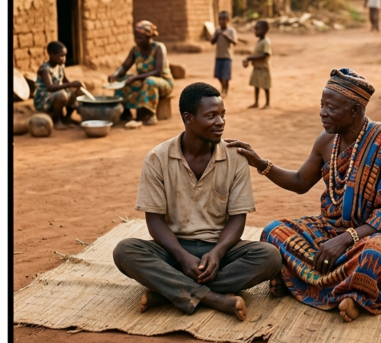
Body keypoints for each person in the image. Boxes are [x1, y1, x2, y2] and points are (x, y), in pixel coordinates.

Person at [225, 68, 381, 322]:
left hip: (373, 235)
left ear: (354, 110)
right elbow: (300, 182)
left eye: (330, 107)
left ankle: (351, 292)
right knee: (273, 233)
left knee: (377, 253)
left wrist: (347, 239)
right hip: (333, 228)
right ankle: (349, 287)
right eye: (321, 105)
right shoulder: (326, 141)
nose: (322, 112)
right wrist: (260, 162)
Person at [112, 82, 281, 321]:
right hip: (173, 250)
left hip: (220, 251)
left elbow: (237, 219)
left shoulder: (236, 157)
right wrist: (181, 255)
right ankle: (213, 298)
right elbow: (155, 221)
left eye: (222, 115)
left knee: (269, 257)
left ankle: (170, 292)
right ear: (188, 118)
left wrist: (218, 253)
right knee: (125, 251)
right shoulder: (157, 158)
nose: (220, 122)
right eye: (211, 116)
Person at [108, 20, 173, 125]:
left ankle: (149, 114)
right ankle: (125, 111)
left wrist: (135, 78)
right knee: (123, 80)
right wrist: (115, 75)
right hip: (143, 80)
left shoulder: (159, 48)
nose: (137, 41)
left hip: (163, 82)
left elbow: (158, 72)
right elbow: (124, 67)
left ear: (149, 37)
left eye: (140, 38)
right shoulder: (135, 50)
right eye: (136, 38)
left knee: (150, 81)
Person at [34, 41, 84, 130]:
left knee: (79, 89)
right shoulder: (45, 69)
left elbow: (65, 81)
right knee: (62, 95)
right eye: (61, 56)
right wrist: (70, 84)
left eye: (65, 56)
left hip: (55, 94)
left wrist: (76, 87)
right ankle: (57, 121)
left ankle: (67, 117)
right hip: (43, 99)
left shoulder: (60, 66)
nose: (64, 58)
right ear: (52, 55)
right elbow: (50, 87)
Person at [242, 20, 272, 109]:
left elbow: (265, 54)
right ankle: (256, 102)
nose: (255, 31)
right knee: (256, 85)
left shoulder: (266, 42)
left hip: (263, 68)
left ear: (264, 30)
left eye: (257, 29)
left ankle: (267, 103)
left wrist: (250, 58)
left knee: (265, 86)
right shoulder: (259, 41)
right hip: (257, 67)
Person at [210, 11, 237, 97]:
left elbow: (235, 42)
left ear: (228, 20)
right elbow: (212, 42)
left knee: (226, 76)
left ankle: (225, 91)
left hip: (227, 56)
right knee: (218, 75)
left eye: (224, 19)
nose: (222, 21)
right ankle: (223, 87)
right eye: (220, 19)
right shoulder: (217, 30)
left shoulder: (231, 30)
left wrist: (227, 37)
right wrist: (216, 35)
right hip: (218, 56)